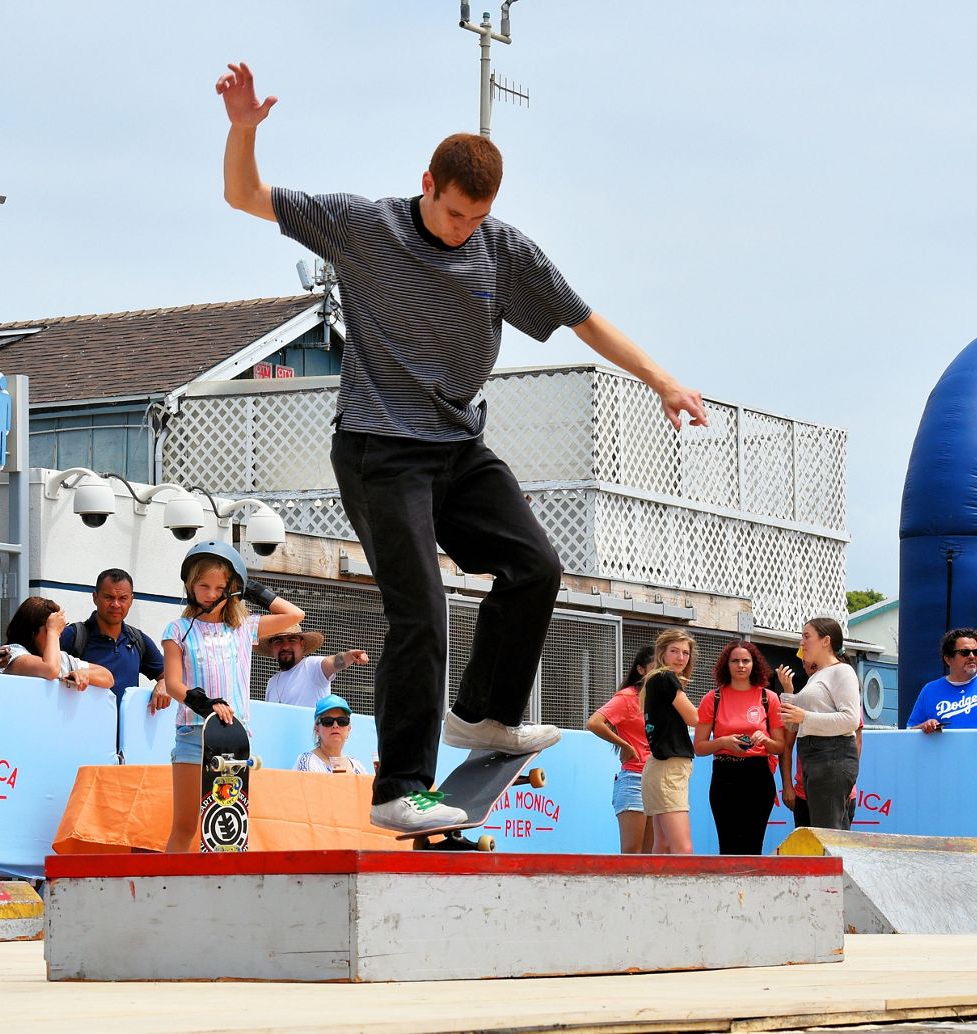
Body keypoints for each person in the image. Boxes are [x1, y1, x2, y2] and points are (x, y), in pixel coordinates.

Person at [215, 62, 708, 833]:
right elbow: (245, 196)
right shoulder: (362, 225)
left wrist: (661, 379)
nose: (461, 232)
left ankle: (483, 713)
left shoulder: (504, 250)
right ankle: (398, 787)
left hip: (457, 446)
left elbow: (583, 319)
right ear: (428, 184)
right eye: (451, 215)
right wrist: (244, 129)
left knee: (535, 566)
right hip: (381, 448)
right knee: (423, 612)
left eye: (474, 220)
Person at [161, 540, 304, 852]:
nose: (211, 594)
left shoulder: (244, 628)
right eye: (203, 586)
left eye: (219, 587)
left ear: (230, 589)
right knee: (185, 825)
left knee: (228, 828)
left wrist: (249, 586)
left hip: (232, 738)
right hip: (192, 733)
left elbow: (295, 614)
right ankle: (170, 893)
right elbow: (173, 684)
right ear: (190, 586)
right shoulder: (177, 629)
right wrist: (207, 704)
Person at [694, 641, 783, 855]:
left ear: (755, 664)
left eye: (746, 660)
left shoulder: (768, 698)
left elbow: (780, 747)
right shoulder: (712, 698)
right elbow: (699, 747)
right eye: (735, 661)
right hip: (725, 775)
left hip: (758, 775)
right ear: (726, 665)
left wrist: (765, 740)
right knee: (728, 846)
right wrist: (724, 742)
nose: (741, 665)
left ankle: (751, 889)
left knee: (753, 846)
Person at [778, 617, 860, 830]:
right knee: (821, 835)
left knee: (828, 835)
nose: (802, 643)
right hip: (813, 758)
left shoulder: (842, 671)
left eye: (806, 636)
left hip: (831, 756)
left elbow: (850, 719)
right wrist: (788, 695)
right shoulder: (817, 676)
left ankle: (838, 865)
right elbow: (793, 724)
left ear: (826, 641)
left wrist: (804, 716)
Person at [61, 568, 169, 714]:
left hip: (127, 734)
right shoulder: (74, 636)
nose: (116, 604)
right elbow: (43, 670)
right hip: (82, 732)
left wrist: (164, 684)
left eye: (123, 598)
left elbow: (169, 676)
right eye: (109, 597)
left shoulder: (138, 640)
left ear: (131, 600)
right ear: (95, 597)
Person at [586, 646, 655, 854]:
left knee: (653, 854)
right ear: (641, 670)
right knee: (632, 853)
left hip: (659, 779)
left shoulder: (666, 698)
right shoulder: (628, 697)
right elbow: (594, 722)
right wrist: (625, 745)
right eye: (656, 667)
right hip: (634, 778)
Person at [640, 629, 700, 855]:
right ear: (662, 653)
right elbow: (694, 718)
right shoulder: (665, 677)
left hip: (659, 767)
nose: (681, 657)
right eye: (674, 651)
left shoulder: (655, 680)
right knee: (683, 849)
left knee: (663, 845)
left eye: (685, 653)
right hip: (668, 768)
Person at [2, 596, 113, 691]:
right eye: (49, 629)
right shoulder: (11, 654)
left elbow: (108, 677)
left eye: (59, 630)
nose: (58, 636)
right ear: (31, 631)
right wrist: (53, 631)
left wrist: (84, 673)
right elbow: (50, 670)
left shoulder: (61, 659)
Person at [258, 624, 370, 707]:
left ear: (302, 644)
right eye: (278, 641)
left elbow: (333, 662)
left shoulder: (311, 665)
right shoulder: (271, 682)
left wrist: (349, 656)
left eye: (292, 640)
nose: (286, 646)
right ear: (272, 647)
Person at [907, 627, 977, 732]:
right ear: (948, 659)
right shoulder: (930, 690)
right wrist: (924, 726)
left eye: (976, 652)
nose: (972, 656)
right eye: (964, 652)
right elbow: (909, 731)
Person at [295, 693, 369, 775]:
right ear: (317, 729)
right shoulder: (308, 761)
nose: (335, 726)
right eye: (328, 721)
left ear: (349, 729)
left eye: (342, 721)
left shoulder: (358, 766)